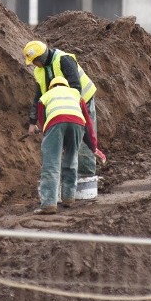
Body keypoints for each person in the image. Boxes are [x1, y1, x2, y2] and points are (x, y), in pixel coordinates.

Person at [23, 40, 99, 177]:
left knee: (84, 134)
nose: (34, 64)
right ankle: (71, 174)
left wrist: (71, 110)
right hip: (65, 105)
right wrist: (32, 122)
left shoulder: (64, 59)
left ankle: (86, 174)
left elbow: (76, 86)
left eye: (34, 61)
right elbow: (39, 96)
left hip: (83, 100)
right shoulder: (39, 71)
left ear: (41, 58)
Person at [32, 76, 105, 215]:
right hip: (78, 124)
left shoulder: (45, 96)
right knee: (71, 159)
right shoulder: (76, 94)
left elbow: (43, 122)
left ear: (51, 87)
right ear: (66, 85)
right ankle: (69, 198)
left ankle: (48, 204)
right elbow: (88, 123)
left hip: (55, 123)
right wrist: (93, 146)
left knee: (51, 164)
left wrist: (51, 139)